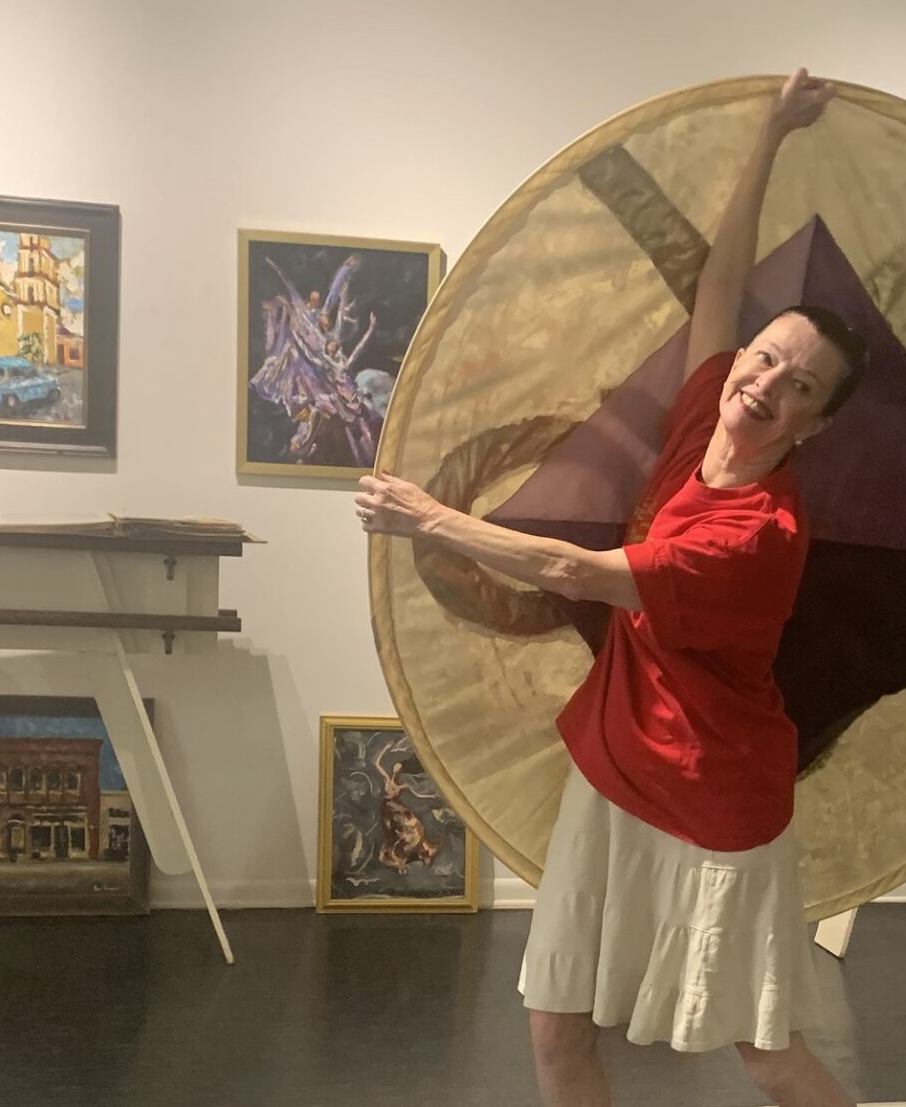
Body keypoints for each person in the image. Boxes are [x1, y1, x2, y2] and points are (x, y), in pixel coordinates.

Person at [355, 69, 867, 1107]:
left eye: (796, 385)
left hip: (715, 800)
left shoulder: (758, 530)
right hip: (619, 772)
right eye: (765, 359)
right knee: (554, 1024)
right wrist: (768, 134)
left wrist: (427, 517)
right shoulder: (698, 433)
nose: (762, 383)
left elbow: (569, 571)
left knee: (759, 1044)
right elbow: (720, 287)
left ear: (815, 422)